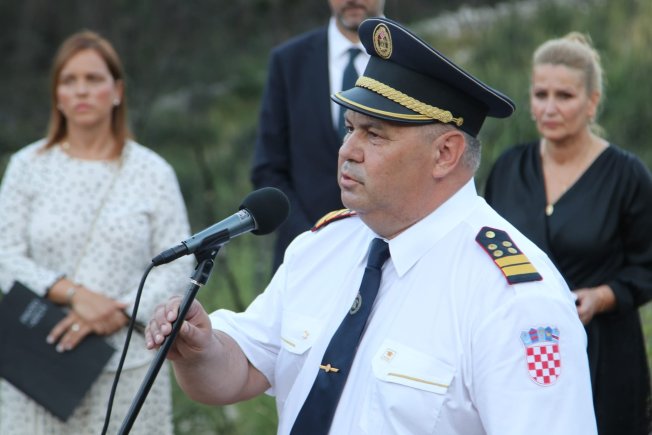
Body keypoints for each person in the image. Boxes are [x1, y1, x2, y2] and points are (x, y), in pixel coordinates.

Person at [147, 18, 597, 434]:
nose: (348, 150)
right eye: (350, 128)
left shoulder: (512, 299)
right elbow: (244, 368)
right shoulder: (322, 247)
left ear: (445, 153)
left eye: (375, 134)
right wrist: (202, 350)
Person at [0, 30, 194, 434]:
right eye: (69, 81)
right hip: (39, 361)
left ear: (117, 91)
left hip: (128, 363)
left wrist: (117, 311)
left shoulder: (152, 172)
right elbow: (5, 255)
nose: (82, 90)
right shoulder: (27, 166)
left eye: (93, 79)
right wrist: (77, 296)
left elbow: (179, 262)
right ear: (57, 95)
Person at [484, 32, 652, 435]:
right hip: (520, 352)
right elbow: (485, 252)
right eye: (540, 94)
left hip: (603, 356)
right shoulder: (508, 168)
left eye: (565, 96)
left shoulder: (627, 175)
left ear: (592, 101)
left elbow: (647, 266)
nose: (550, 107)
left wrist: (601, 297)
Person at [251, 0, 385, 272]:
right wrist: (311, 238)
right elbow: (268, 169)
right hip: (304, 258)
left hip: (387, 257)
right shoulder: (288, 62)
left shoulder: (413, 59)